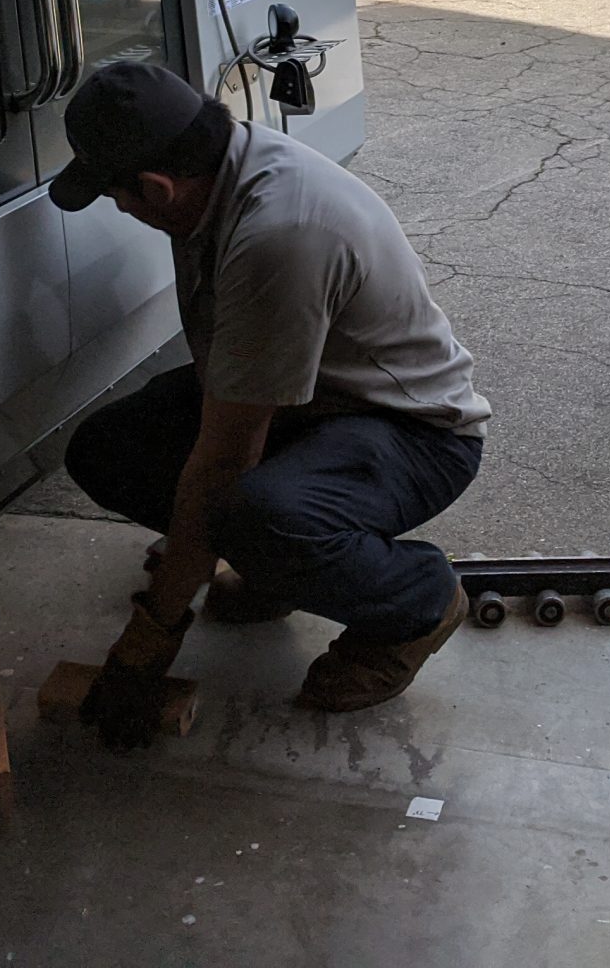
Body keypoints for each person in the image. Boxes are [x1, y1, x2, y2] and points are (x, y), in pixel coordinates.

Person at [50, 59, 488, 748]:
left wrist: (151, 636)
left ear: (158, 187)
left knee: (255, 513)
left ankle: (416, 603)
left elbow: (225, 460)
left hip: (409, 431)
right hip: (304, 400)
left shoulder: (280, 231)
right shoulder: (218, 170)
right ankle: (273, 568)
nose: (124, 211)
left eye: (119, 198)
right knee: (106, 451)